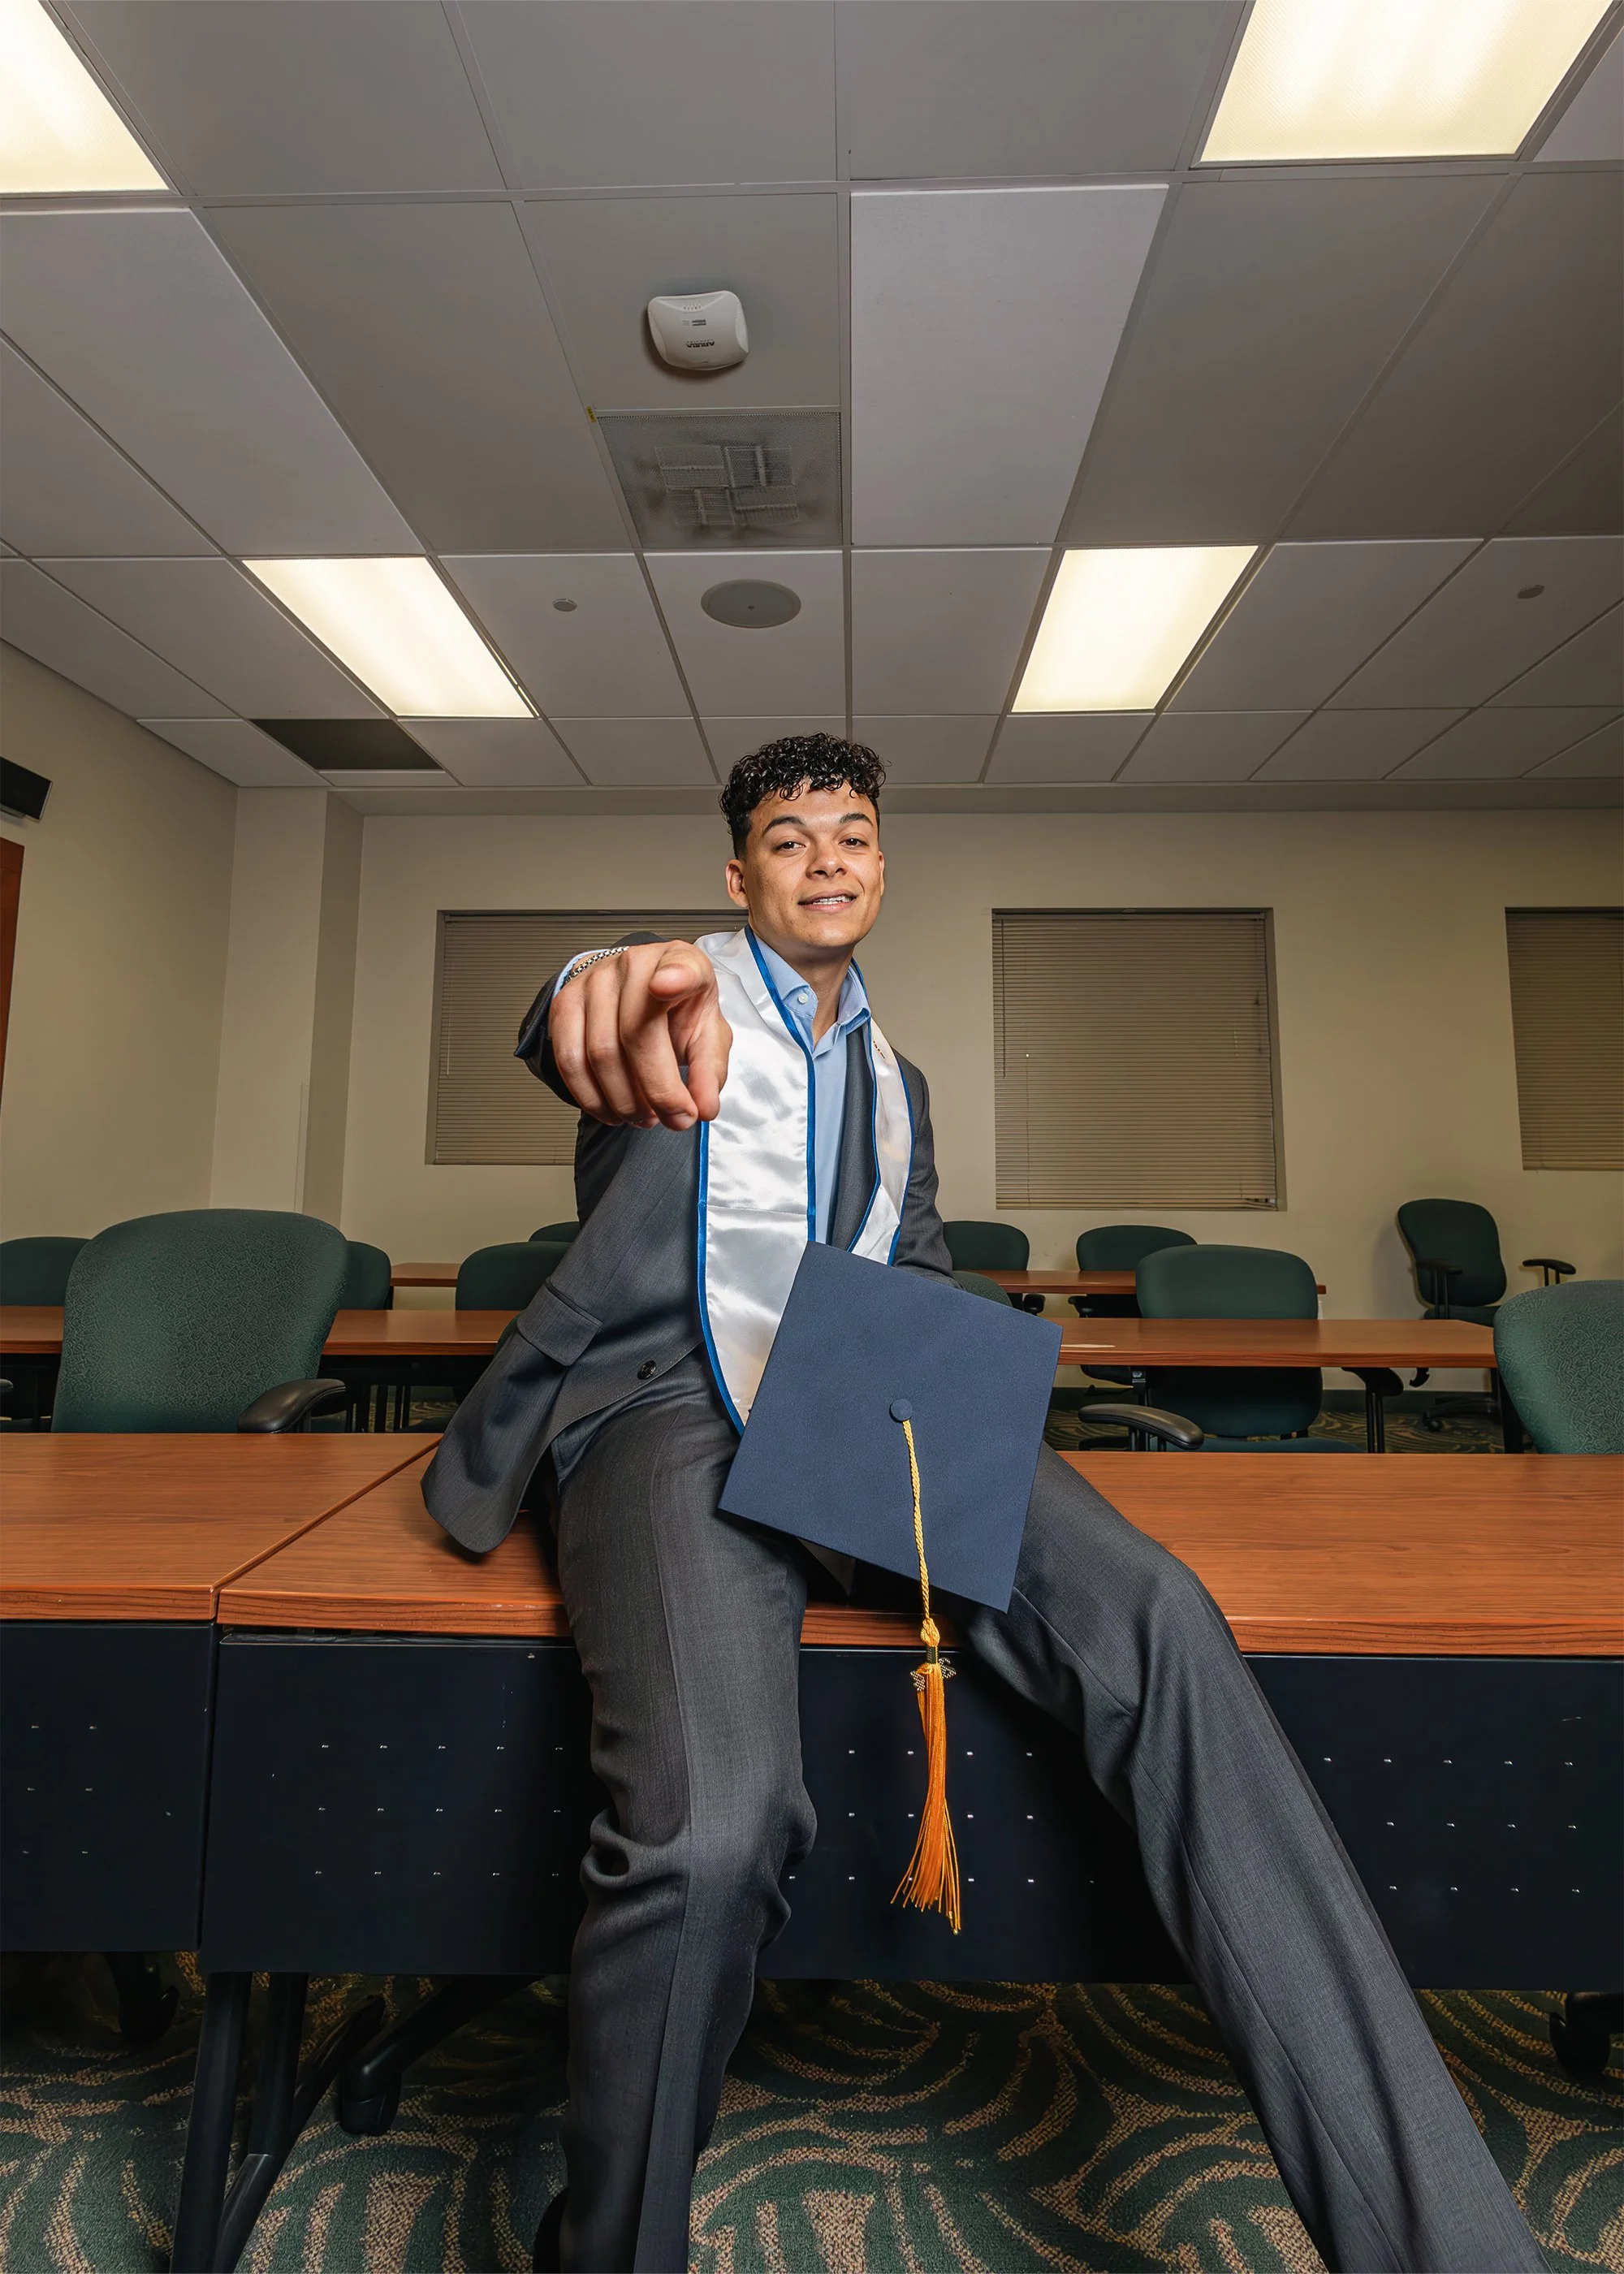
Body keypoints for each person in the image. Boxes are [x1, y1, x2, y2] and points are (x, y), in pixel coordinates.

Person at [424, 735, 1544, 2274]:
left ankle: (1442, 2246)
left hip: (857, 1392)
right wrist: (597, 982)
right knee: (713, 1831)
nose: (827, 856)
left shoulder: (901, 1085)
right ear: (738, 877)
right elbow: (592, 1008)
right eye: (789, 837)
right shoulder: (682, 1006)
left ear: (882, 866)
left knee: (1163, 1621)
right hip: (663, 1403)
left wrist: (978, 1397)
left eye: (853, 834)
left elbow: (917, 1279)